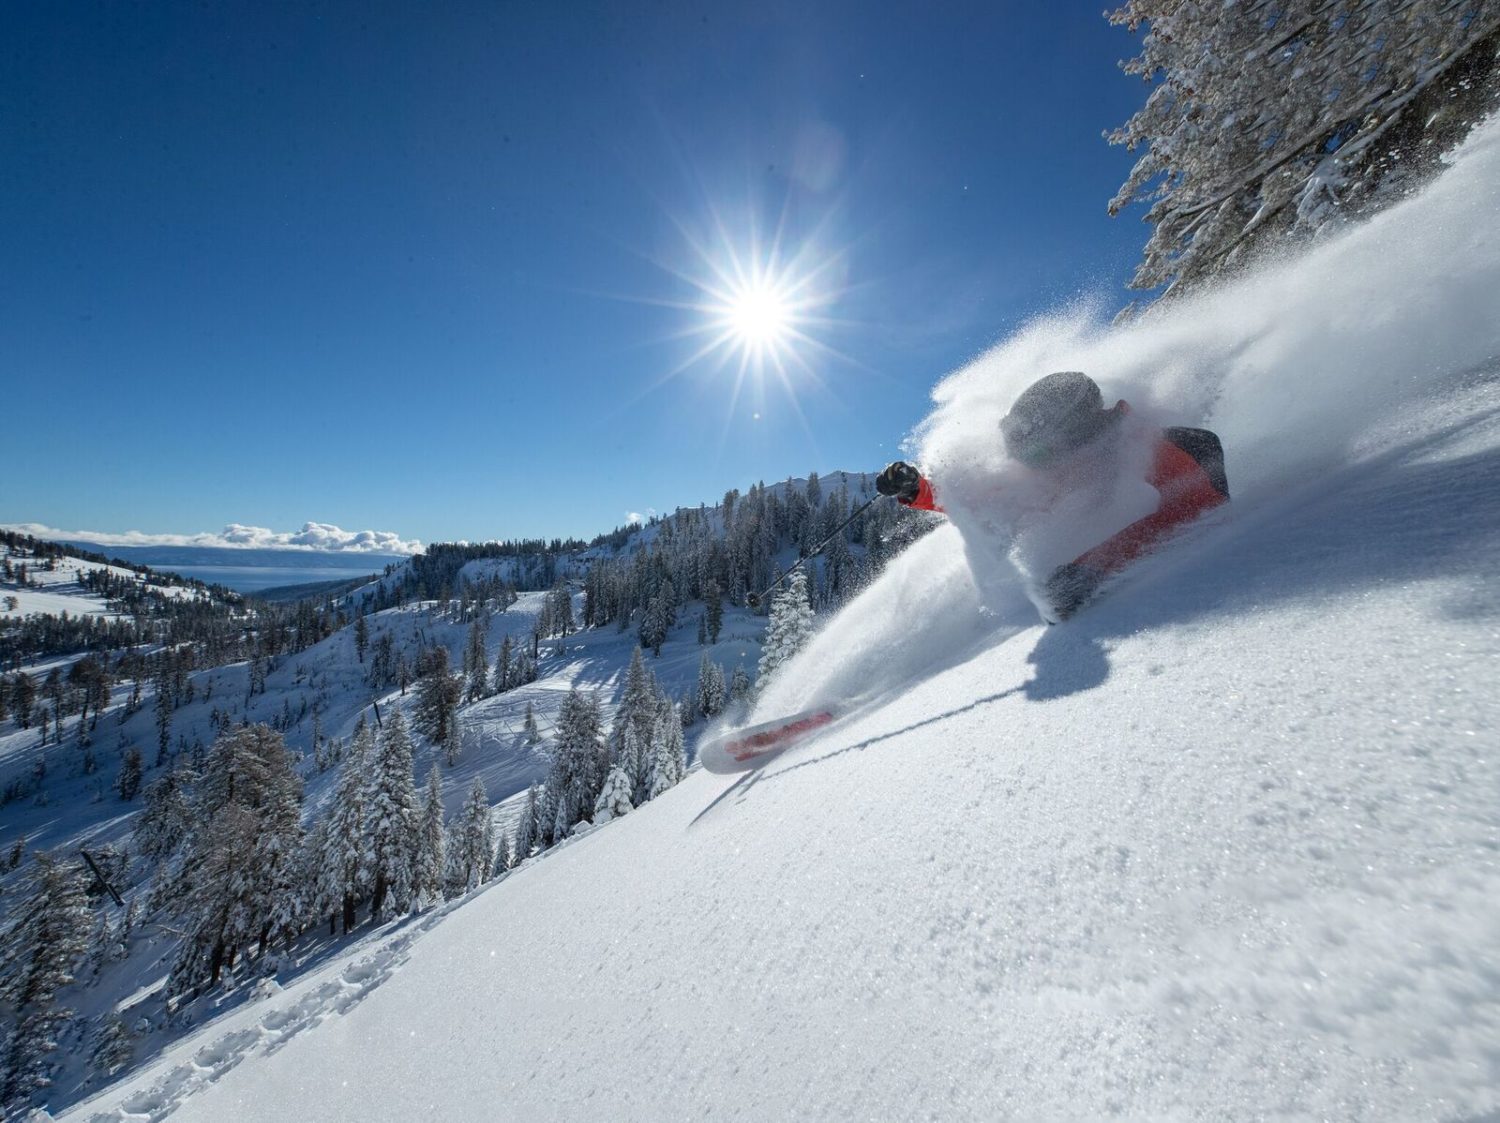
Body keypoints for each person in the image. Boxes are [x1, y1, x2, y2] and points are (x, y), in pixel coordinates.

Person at [875, 371, 1229, 620]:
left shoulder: (1163, 446)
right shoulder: (1059, 470)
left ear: (1077, 433)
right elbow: (980, 503)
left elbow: (1196, 514)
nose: (1034, 467)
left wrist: (1095, 567)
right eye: (1026, 458)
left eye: (1039, 456)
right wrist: (916, 489)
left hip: (1201, 592)